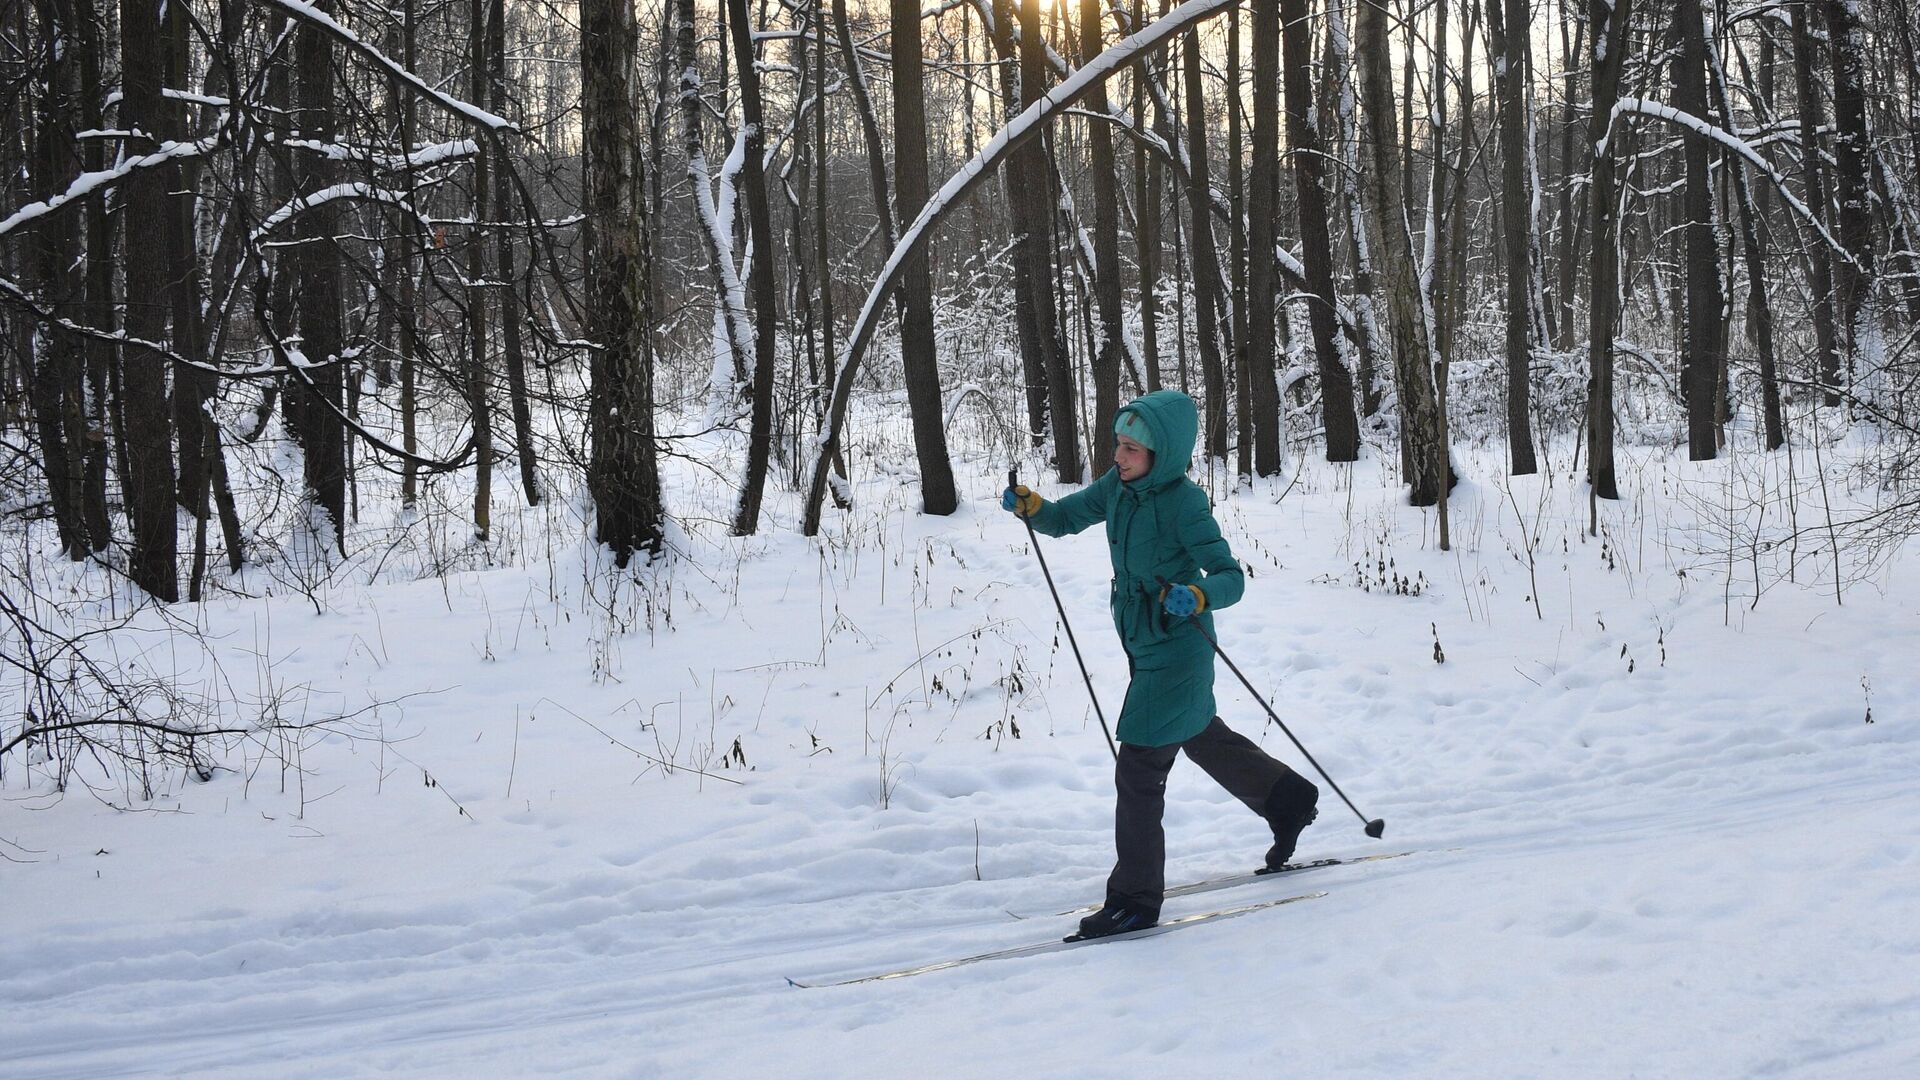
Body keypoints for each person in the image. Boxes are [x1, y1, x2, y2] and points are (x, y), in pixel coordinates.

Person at [1002, 390, 1319, 939]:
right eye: (1117, 445)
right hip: (1143, 641)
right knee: (1197, 734)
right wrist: (1033, 507)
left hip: (1179, 644)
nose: (1119, 457)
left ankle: (1134, 898)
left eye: (1131, 449)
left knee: (1140, 768)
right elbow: (1065, 518)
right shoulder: (1118, 490)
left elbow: (1229, 575)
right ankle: (1287, 799)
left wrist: (1197, 595)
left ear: (1162, 454)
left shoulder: (1184, 503)